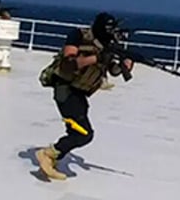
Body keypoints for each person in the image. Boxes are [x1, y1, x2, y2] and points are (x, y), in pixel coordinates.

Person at [36, 12, 134, 180]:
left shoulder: (105, 46)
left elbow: (113, 70)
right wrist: (95, 58)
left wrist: (126, 64)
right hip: (65, 90)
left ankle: (53, 159)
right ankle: (47, 154)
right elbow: (68, 64)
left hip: (80, 93)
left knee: (75, 131)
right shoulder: (78, 36)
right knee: (83, 134)